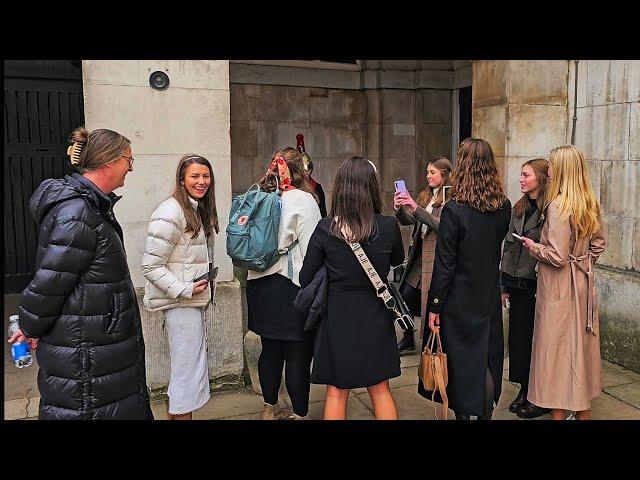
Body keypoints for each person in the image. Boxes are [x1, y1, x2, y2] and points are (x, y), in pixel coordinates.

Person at [9, 126, 153, 420]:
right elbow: (50, 281)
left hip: (96, 345)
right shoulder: (78, 213)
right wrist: (29, 326)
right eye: (129, 160)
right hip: (87, 354)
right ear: (110, 161)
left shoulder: (90, 207)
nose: (131, 168)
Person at [300, 156, 404, 420]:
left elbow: (305, 278)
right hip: (376, 315)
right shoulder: (389, 226)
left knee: (336, 391)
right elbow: (396, 260)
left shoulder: (326, 229)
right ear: (371, 186)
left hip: (338, 317)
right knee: (380, 390)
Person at [422, 138, 511, 420]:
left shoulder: (454, 210)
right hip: (487, 295)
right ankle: (485, 415)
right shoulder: (504, 207)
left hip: (458, 299)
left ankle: (463, 416)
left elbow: (445, 264)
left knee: (461, 363)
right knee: (485, 359)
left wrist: (434, 305)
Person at [521, 145, 605, 421]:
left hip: (559, 287)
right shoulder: (590, 201)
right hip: (582, 283)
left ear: (564, 169)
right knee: (579, 351)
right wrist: (581, 263)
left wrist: (533, 247)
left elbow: (556, 256)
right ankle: (582, 413)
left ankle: (559, 413)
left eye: (553, 165)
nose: (550, 170)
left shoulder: (558, 206)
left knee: (557, 356)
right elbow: (598, 245)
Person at [141, 154, 219, 420]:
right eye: (195, 176)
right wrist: (184, 288)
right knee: (187, 376)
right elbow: (150, 266)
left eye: (205, 176)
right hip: (180, 305)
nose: (201, 181)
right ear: (182, 179)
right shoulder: (171, 211)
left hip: (188, 303)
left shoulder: (194, 208)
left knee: (187, 375)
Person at [246, 147, 322, 420]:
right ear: (300, 171)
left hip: (259, 284)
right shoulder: (304, 199)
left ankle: (269, 408)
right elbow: (313, 248)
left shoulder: (259, 196)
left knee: (270, 350)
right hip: (292, 284)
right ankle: (299, 415)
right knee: (298, 355)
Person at [500, 158, 550, 419]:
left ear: (540, 178)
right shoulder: (518, 207)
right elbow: (508, 248)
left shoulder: (549, 210)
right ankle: (523, 388)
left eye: (526, 175)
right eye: (521, 174)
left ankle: (537, 392)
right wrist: (504, 285)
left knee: (536, 340)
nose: (520, 179)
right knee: (518, 340)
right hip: (516, 283)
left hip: (537, 284)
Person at [393, 157, 453, 354]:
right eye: (427, 172)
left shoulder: (450, 197)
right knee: (403, 297)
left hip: (435, 256)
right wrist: (399, 208)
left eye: (433, 172)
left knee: (428, 300)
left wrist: (416, 208)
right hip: (418, 256)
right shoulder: (425, 195)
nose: (428, 176)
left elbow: (441, 225)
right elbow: (408, 220)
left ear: (444, 174)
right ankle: (408, 335)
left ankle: (432, 341)